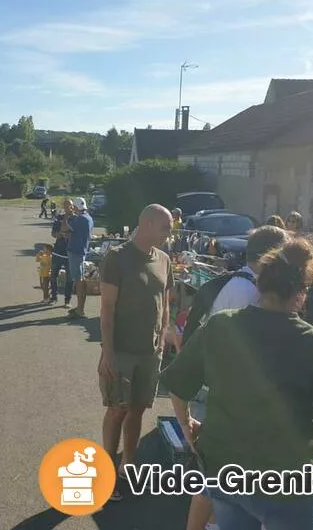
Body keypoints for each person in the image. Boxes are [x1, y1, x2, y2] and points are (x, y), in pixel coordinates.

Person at [160, 238, 313, 529]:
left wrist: (186, 424)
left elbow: (178, 383)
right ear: (301, 293)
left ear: (260, 283)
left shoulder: (221, 326)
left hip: (224, 469)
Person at [184, 225, 289, 530]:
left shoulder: (236, 284)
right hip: (225, 394)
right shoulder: (250, 294)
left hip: (213, 388)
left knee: (213, 477)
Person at [99, 205, 173, 502]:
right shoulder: (117, 258)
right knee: (118, 409)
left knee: (139, 408)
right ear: (147, 223)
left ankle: (128, 464)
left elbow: (166, 304)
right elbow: (107, 309)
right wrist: (108, 352)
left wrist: (162, 338)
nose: (170, 233)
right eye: (166, 227)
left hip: (149, 352)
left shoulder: (164, 260)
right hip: (122, 350)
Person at [66, 197, 94, 319]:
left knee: (78, 280)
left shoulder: (79, 219)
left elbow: (66, 228)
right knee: (80, 279)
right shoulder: (88, 218)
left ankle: (80, 309)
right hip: (81, 250)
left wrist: (67, 217)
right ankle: (80, 307)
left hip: (76, 251)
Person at [50, 199, 74, 306]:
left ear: (73, 206)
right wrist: (60, 234)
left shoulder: (76, 219)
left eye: (69, 205)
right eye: (65, 206)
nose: (67, 208)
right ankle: (53, 297)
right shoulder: (59, 218)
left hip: (70, 253)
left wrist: (69, 235)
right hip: (58, 251)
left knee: (70, 278)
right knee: (53, 275)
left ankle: (67, 300)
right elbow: (53, 233)